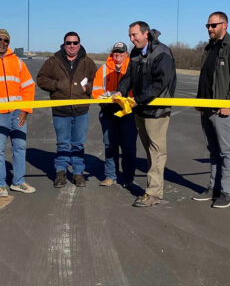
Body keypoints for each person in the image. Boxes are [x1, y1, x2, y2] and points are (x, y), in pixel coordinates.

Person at [116, 21, 176, 207]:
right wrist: (121, 91)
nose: (132, 39)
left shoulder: (162, 53)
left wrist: (139, 99)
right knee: (150, 152)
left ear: (146, 33)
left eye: (134, 35)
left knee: (157, 152)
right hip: (140, 109)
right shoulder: (135, 53)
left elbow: (160, 84)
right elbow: (129, 77)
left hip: (156, 111)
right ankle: (153, 189)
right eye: (130, 36)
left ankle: (153, 193)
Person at [193, 11, 230, 208]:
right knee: (213, 150)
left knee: (227, 152)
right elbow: (205, 77)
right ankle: (213, 187)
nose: (209, 29)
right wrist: (199, 100)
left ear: (224, 25)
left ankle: (226, 192)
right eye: (207, 26)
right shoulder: (209, 48)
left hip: (223, 110)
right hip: (207, 109)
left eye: (213, 25)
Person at [37, 31, 97, 188]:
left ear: (79, 44)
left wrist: (88, 88)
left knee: (78, 143)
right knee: (63, 143)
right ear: (64, 44)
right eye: (68, 43)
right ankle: (61, 173)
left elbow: (96, 81)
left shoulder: (88, 62)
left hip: (81, 110)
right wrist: (56, 85)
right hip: (60, 110)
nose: (72, 46)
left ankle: (78, 173)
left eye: (75, 43)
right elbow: (41, 79)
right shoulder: (53, 61)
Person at [92, 42, 137, 188]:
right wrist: (107, 100)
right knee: (110, 145)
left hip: (128, 113)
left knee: (128, 146)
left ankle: (128, 178)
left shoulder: (133, 68)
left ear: (126, 54)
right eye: (115, 53)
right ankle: (111, 176)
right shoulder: (103, 70)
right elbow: (96, 92)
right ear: (112, 53)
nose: (118, 56)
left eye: (121, 53)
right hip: (108, 113)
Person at [0, 29, 36, 196]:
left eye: (5, 40)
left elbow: (28, 86)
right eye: (0, 39)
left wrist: (26, 110)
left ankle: (18, 182)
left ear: (9, 43)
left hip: (17, 113)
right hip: (0, 114)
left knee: (20, 147)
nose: (2, 42)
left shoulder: (18, 62)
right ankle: (1, 185)